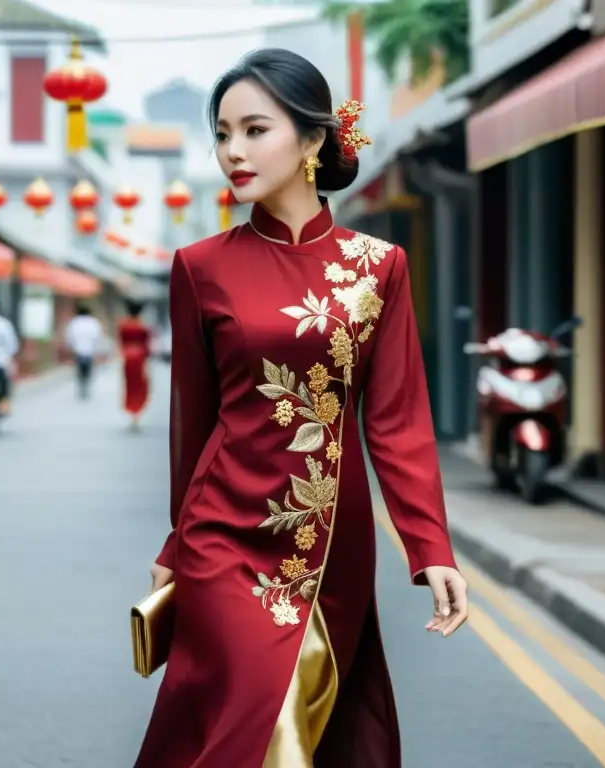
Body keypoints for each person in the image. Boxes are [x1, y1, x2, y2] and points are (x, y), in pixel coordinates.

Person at [135, 49, 469, 767]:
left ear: (313, 140)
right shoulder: (200, 267)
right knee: (258, 727)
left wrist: (429, 547)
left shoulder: (377, 268)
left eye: (255, 130)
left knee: (309, 727)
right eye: (222, 133)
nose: (233, 151)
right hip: (221, 541)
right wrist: (175, 546)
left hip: (331, 549)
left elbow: (397, 422)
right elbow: (193, 429)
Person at [117, 300, 152, 431]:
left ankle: (133, 413)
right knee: (140, 386)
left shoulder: (123, 326)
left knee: (130, 386)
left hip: (128, 359)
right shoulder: (143, 327)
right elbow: (147, 346)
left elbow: (121, 343)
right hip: (140, 359)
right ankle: (137, 413)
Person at [64, 303, 104, 400]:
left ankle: (81, 388)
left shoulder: (74, 323)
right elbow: (98, 337)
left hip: (78, 351)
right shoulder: (94, 322)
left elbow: (69, 337)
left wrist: (72, 347)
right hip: (89, 351)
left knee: (79, 371)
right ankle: (86, 387)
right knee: (88, 371)